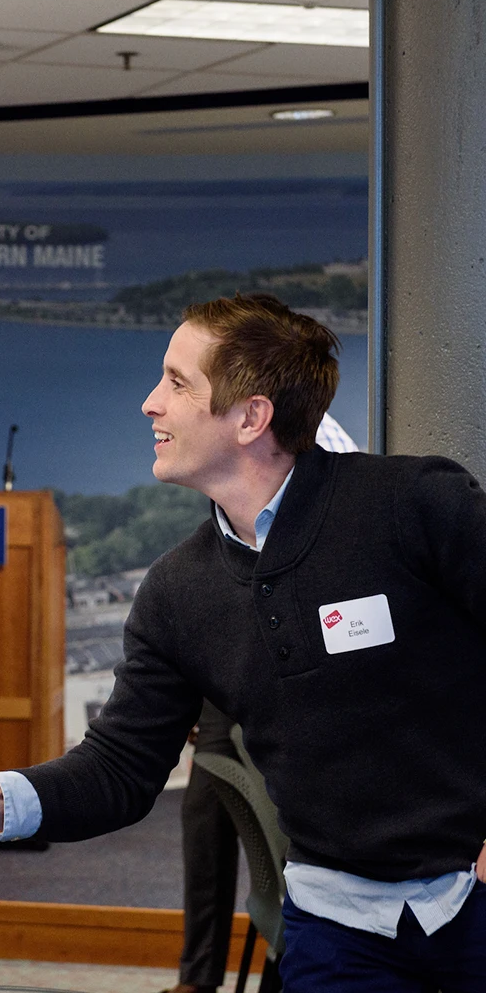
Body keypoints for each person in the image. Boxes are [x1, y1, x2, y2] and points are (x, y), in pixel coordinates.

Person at [0, 293, 486, 992]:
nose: (150, 403)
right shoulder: (178, 592)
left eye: (177, 383)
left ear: (250, 417)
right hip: (337, 927)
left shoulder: (411, 504)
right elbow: (120, 767)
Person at [168, 413, 358, 993]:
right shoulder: (221, 456)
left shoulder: (322, 441)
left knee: (289, 816)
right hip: (238, 658)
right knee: (208, 812)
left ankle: (292, 959)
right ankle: (198, 978)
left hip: (306, 663)